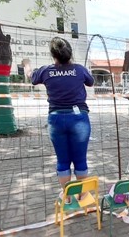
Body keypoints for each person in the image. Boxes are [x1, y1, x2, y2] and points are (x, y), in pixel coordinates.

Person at [23, 37, 94, 204]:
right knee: (80, 159)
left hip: (55, 119)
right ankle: (83, 196)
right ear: (69, 52)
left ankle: (67, 196)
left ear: (53, 54)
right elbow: (91, 82)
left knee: (62, 160)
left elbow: (30, 77)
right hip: (79, 119)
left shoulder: (46, 71)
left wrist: (26, 63)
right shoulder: (79, 69)